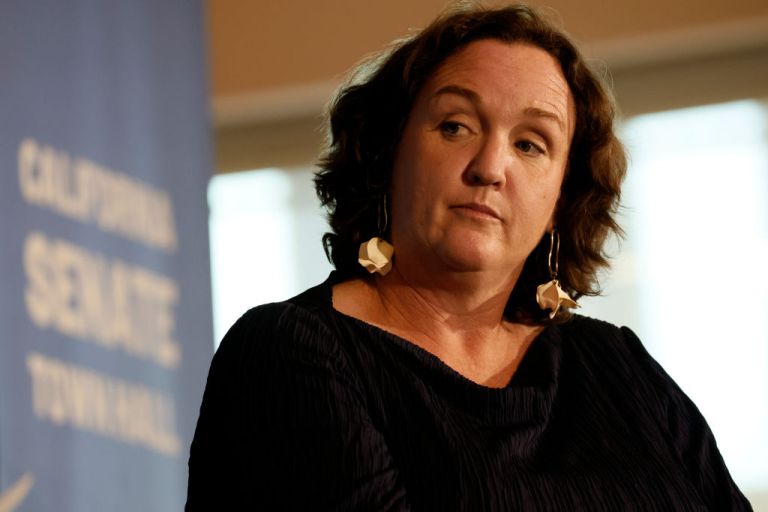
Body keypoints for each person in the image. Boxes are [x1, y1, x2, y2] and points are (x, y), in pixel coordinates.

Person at [186, 4, 752, 510]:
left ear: (560, 200)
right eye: (455, 126)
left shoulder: (619, 366)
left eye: (530, 144)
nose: (490, 167)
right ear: (388, 154)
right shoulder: (291, 349)